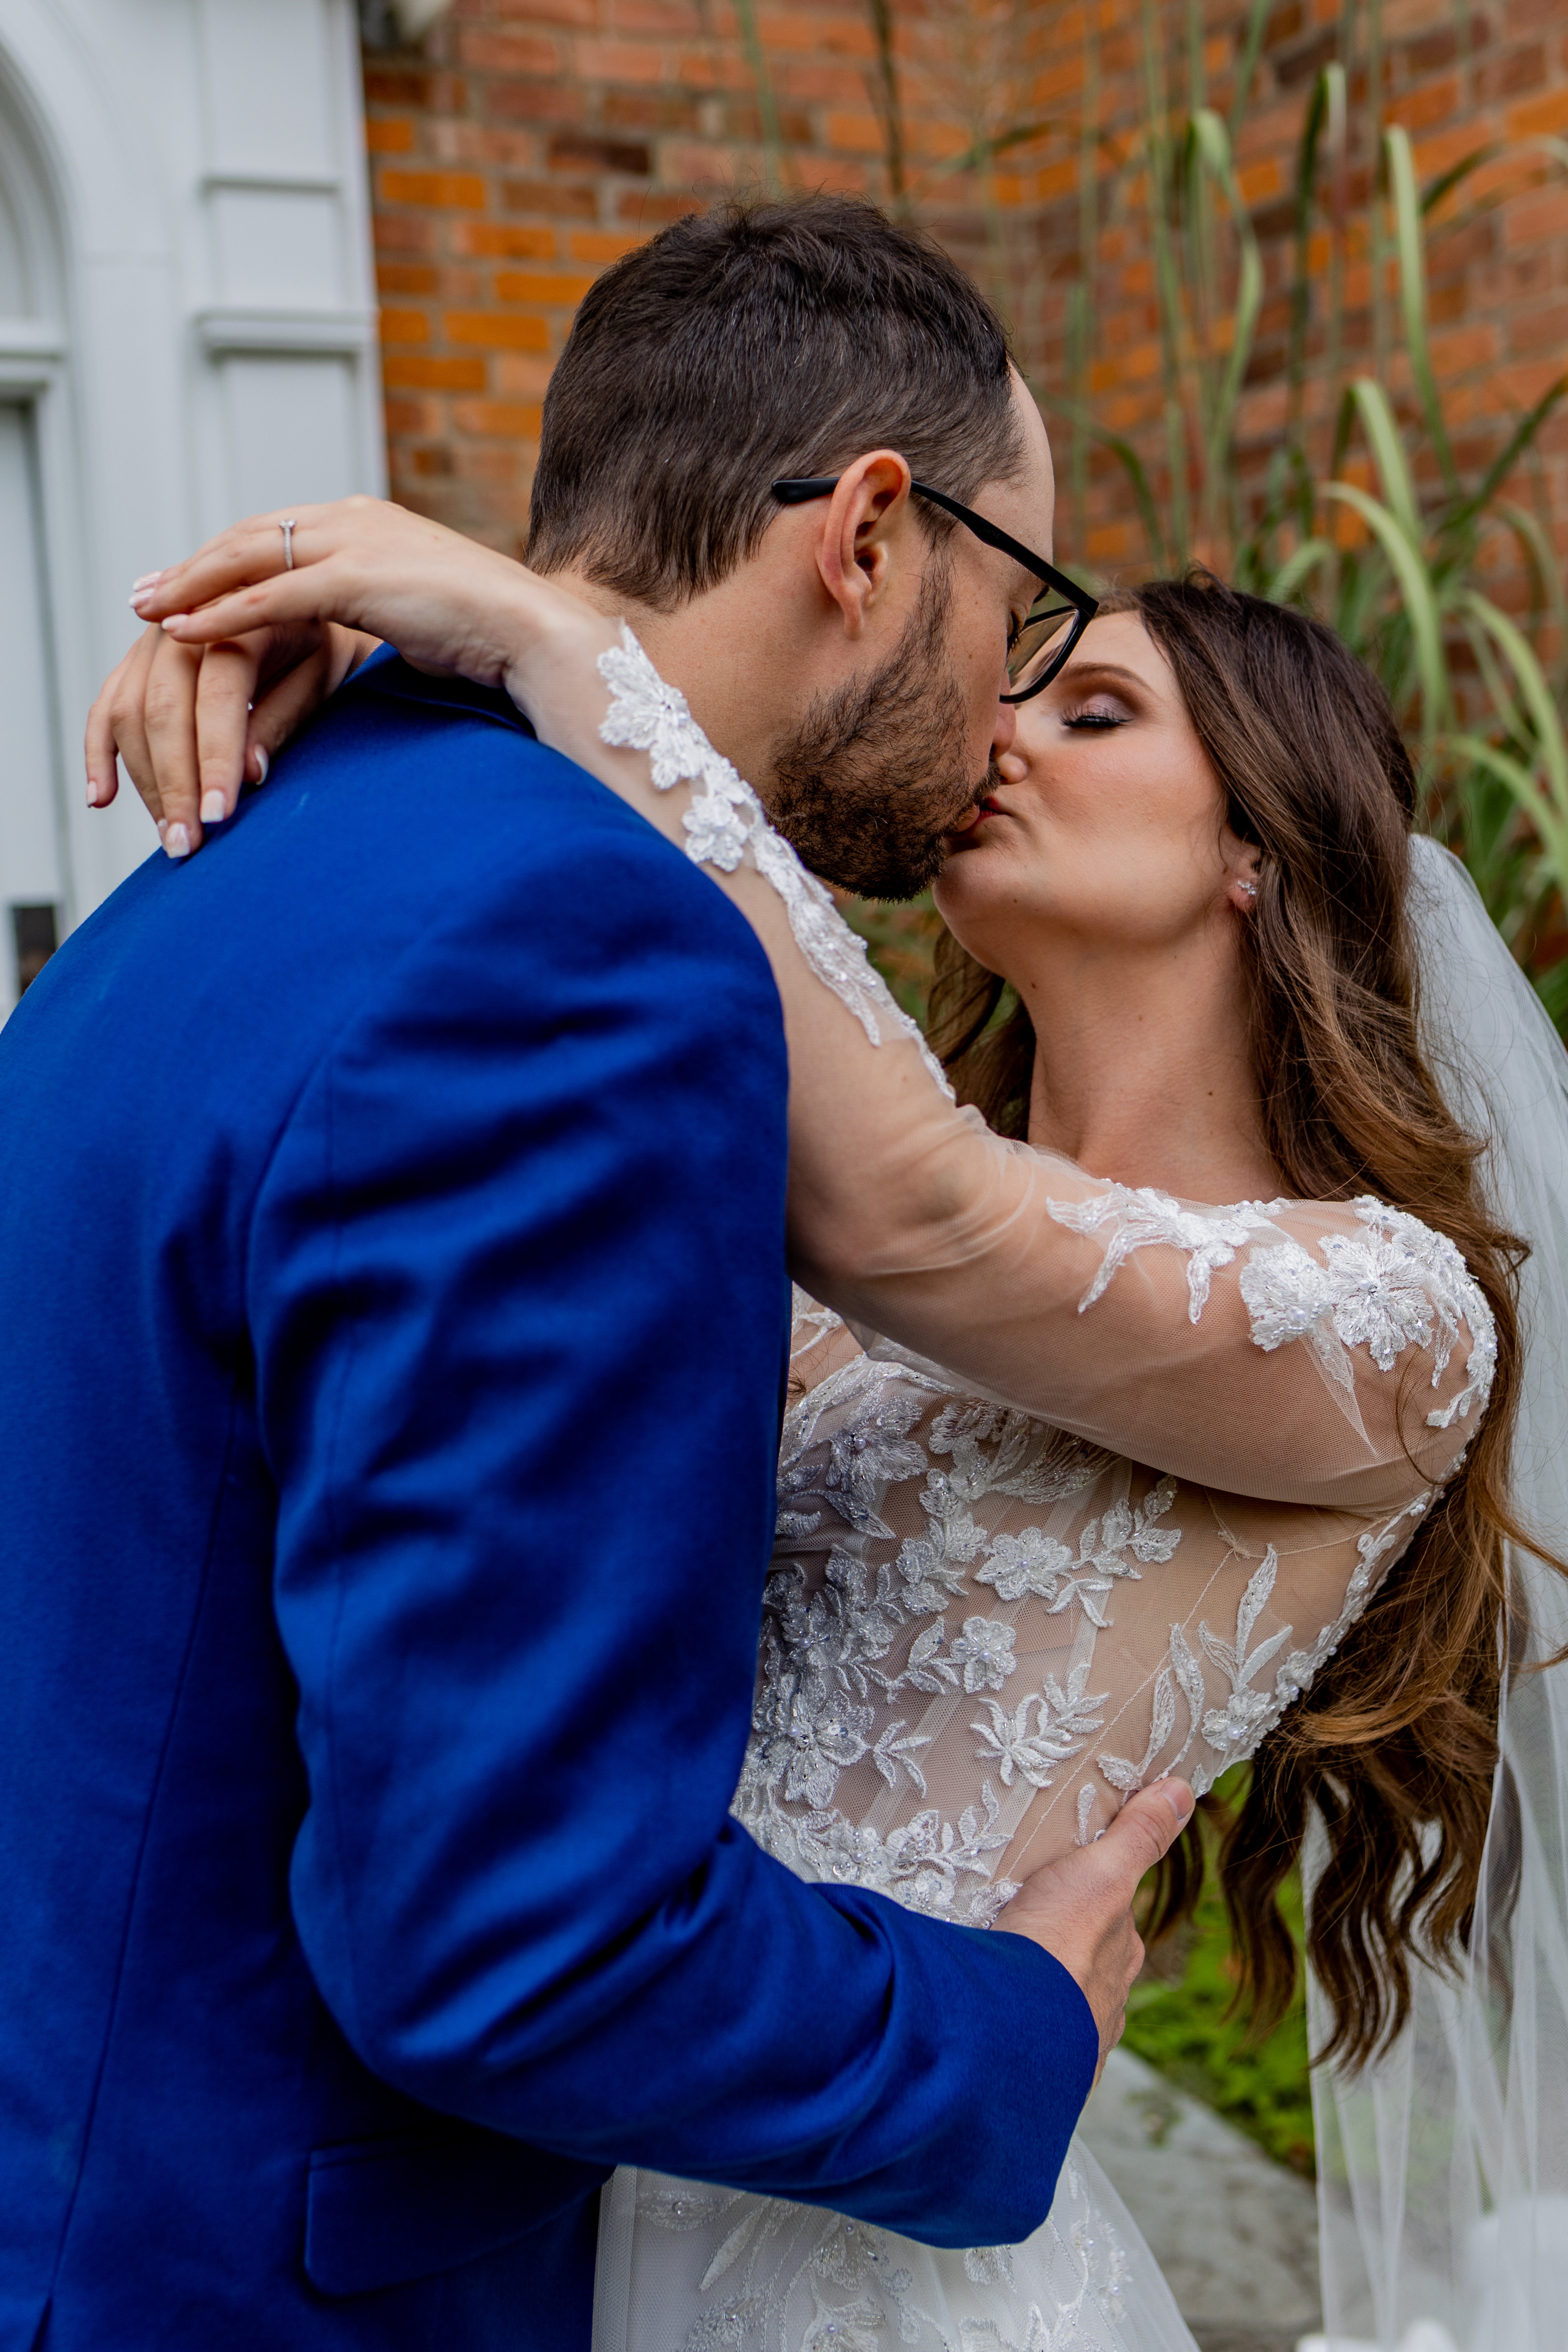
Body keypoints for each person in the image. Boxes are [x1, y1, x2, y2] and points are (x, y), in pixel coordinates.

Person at [99, 466, 1563, 2346]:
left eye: (1094, 710)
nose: (1002, 734)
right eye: (1015, 690)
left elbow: (934, 1205)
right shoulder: (834, 1286)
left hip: (875, 2255)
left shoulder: (1383, 1320)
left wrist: (556, 637)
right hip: (584, 2163)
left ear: (1256, 850)